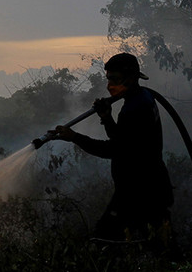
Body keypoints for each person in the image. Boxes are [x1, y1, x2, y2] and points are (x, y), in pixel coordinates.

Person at [51, 53, 173, 243]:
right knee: (154, 243)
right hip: (146, 187)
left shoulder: (135, 108)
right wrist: (106, 117)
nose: (109, 86)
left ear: (131, 78)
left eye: (115, 80)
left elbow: (114, 150)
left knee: (105, 240)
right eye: (108, 79)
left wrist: (74, 137)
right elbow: (124, 140)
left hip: (140, 192)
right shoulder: (140, 99)